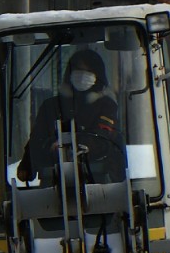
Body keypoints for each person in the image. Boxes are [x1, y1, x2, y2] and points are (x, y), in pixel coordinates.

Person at [16, 48, 123, 184]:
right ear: (69, 73)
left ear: (98, 75)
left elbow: (104, 135)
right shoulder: (51, 106)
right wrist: (27, 164)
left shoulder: (107, 106)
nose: (82, 75)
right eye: (77, 69)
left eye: (88, 71)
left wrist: (77, 145)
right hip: (53, 182)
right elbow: (37, 138)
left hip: (99, 181)